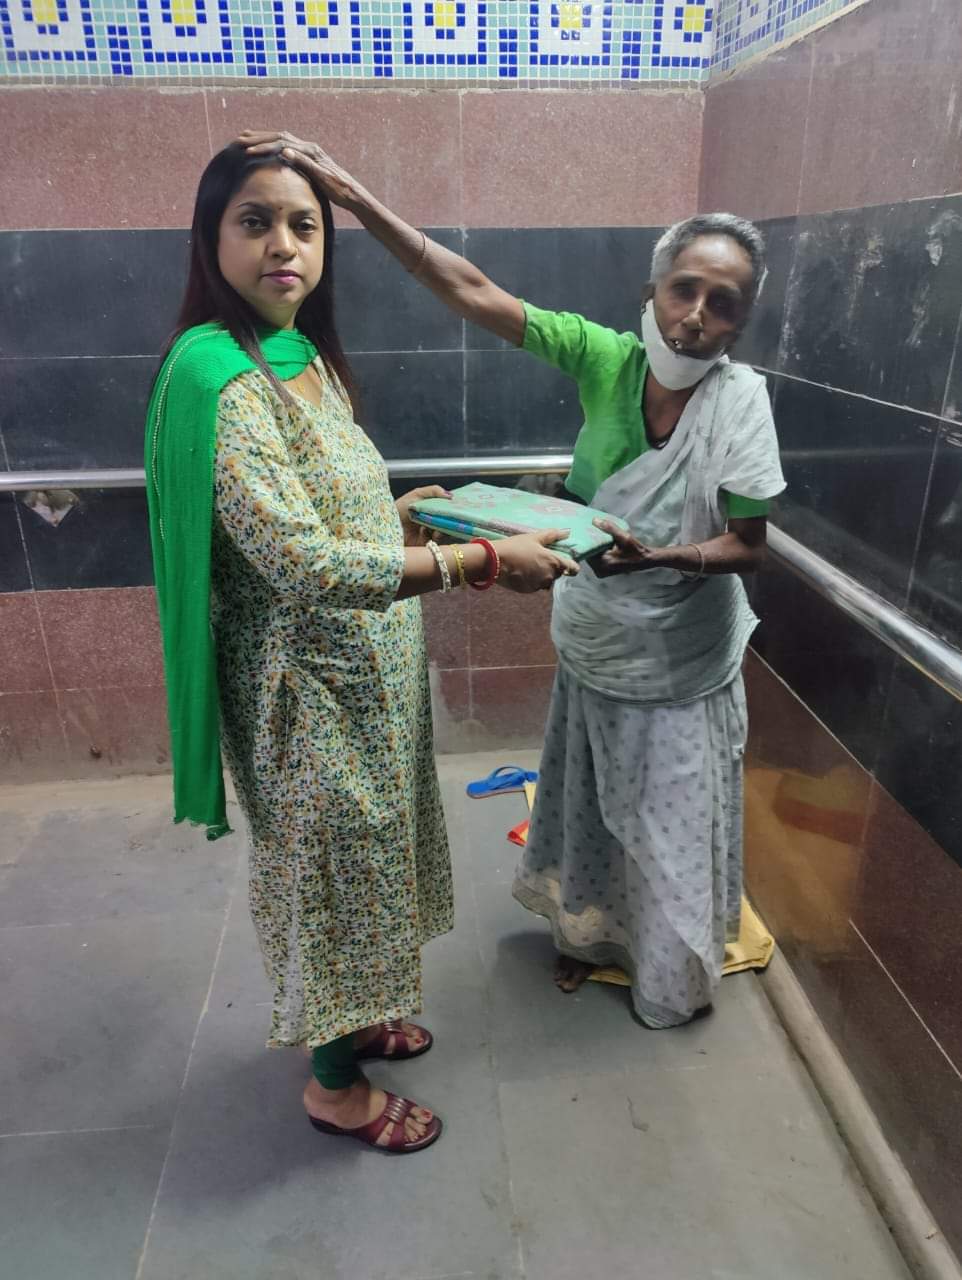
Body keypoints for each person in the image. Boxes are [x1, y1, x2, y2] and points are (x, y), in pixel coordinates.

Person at [236, 129, 785, 1031]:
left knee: (671, 822)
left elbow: (750, 546)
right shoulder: (605, 358)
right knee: (591, 803)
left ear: (740, 323)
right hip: (597, 637)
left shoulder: (742, 402)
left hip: (683, 660)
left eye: (722, 305)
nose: (695, 317)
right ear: (650, 292)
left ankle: (669, 973)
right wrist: (355, 200)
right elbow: (472, 289)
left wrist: (664, 558)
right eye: (683, 290)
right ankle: (595, 935)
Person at [145, 142, 579, 1156]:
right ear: (211, 238)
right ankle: (335, 1087)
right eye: (255, 222)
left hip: (368, 676)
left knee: (369, 859)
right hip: (302, 695)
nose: (284, 245)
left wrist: (401, 513)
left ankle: (361, 1012)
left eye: (304, 225)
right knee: (331, 883)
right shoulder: (218, 376)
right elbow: (298, 561)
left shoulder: (299, 357)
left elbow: (326, 511)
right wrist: (479, 560)